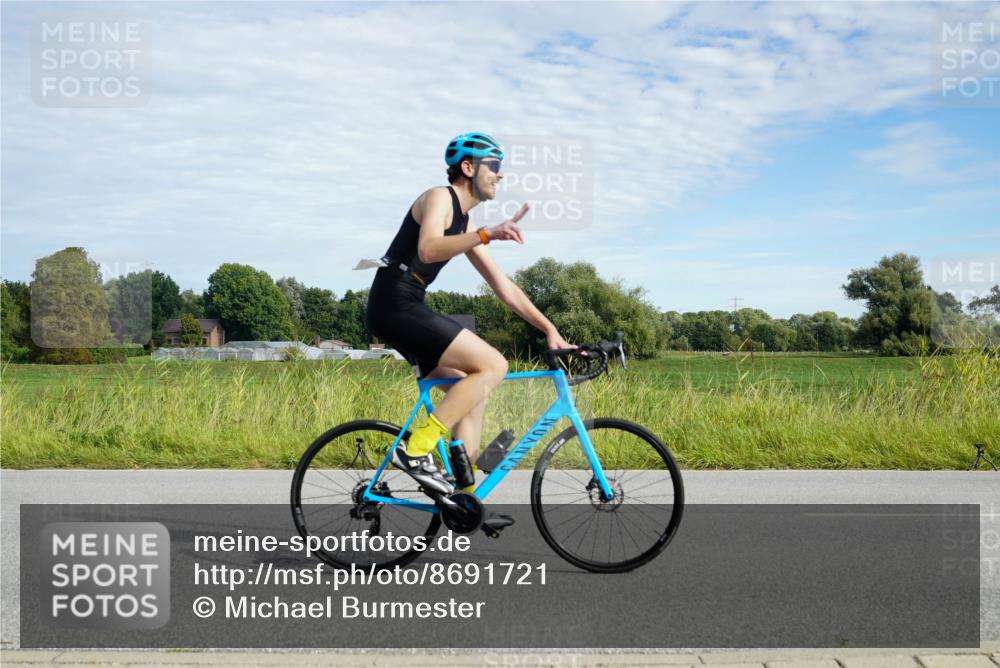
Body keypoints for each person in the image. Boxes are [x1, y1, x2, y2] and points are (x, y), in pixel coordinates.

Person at [364, 132, 575, 497]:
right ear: (467, 167)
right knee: (494, 365)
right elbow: (429, 249)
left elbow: (504, 288)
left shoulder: (464, 225)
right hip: (394, 304)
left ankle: (464, 497)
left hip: (407, 305)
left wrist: (549, 329)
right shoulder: (438, 199)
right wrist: (486, 233)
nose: (500, 175)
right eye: (494, 166)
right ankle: (416, 449)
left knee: (474, 390)